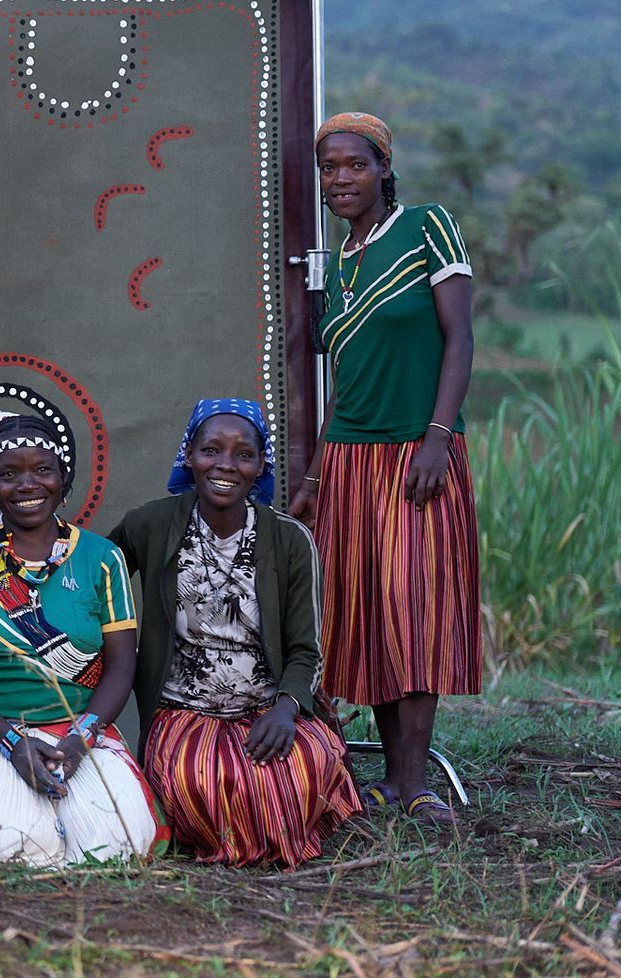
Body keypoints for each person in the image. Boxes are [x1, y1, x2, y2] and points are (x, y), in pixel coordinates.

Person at [292, 112, 479, 825]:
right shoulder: (339, 262)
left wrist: (437, 437)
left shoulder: (427, 226)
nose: (340, 179)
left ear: (382, 168)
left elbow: (459, 337)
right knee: (367, 613)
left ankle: (416, 781)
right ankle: (397, 783)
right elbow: (347, 375)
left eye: (354, 166)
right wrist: (312, 476)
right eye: (329, 169)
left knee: (416, 610)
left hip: (417, 453)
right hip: (350, 459)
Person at [109, 399, 361, 866]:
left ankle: (265, 830)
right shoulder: (152, 524)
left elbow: (308, 650)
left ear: (260, 465)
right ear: (190, 456)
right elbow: (90, 573)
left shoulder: (288, 540)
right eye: (211, 450)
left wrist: (287, 710)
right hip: (185, 711)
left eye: (243, 454)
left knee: (303, 769)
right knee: (200, 780)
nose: (226, 465)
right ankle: (249, 836)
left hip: (270, 708)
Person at [0, 415, 165, 865]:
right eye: (8, 474)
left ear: (64, 480)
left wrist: (82, 736)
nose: (27, 484)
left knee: (118, 847)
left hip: (80, 733)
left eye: (42, 470)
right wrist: (11, 743)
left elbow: (120, 665)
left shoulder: (103, 558)